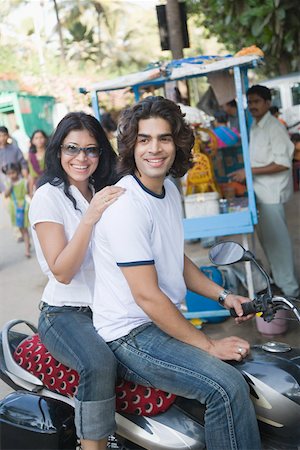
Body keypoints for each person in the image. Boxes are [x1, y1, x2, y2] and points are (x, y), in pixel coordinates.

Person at [92, 96, 261, 450]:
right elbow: (147, 296)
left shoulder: (167, 188)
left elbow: (174, 258)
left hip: (156, 322)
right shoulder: (126, 206)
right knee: (226, 387)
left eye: (164, 138)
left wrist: (224, 295)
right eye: (144, 139)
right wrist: (209, 345)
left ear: (177, 143)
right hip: (130, 333)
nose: (155, 148)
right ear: (131, 145)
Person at [29, 112, 125, 450]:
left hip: (109, 306)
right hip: (64, 313)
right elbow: (62, 271)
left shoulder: (104, 189)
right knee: (99, 363)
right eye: (72, 148)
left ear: (102, 154)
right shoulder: (48, 196)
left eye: (91, 149)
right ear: (57, 152)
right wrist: (91, 216)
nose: (81, 158)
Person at [230, 85, 299, 298]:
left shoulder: (273, 127)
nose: (252, 106)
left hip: (272, 193)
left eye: (256, 101)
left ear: (268, 103)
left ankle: (290, 291)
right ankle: (280, 283)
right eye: (249, 102)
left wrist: (249, 172)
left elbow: (282, 163)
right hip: (261, 193)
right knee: (269, 242)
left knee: (278, 243)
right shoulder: (256, 126)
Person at [2, 162, 31, 257]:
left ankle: (27, 249)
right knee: (20, 229)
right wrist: (10, 186)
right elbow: (6, 195)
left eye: (13, 173)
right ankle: (27, 243)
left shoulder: (23, 182)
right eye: (9, 174)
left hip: (23, 208)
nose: (11, 175)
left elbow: (27, 192)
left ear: (17, 172)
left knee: (25, 229)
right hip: (14, 209)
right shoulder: (8, 183)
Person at [0, 125, 28, 193]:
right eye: (0, 136)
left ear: (8, 136)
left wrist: (25, 175)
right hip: (3, 182)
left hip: (18, 180)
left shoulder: (15, 149)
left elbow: (23, 163)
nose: (2, 138)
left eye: (4, 135)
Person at [28, 129, 48, 197]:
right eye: (36, 138)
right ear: (33, 141)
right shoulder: (31, 156)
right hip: (39, 185)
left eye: (41, 137)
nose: (39, 140)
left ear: (45, 139)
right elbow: (32, 175)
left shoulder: (50, 153)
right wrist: (31, 192)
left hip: (52, 182)